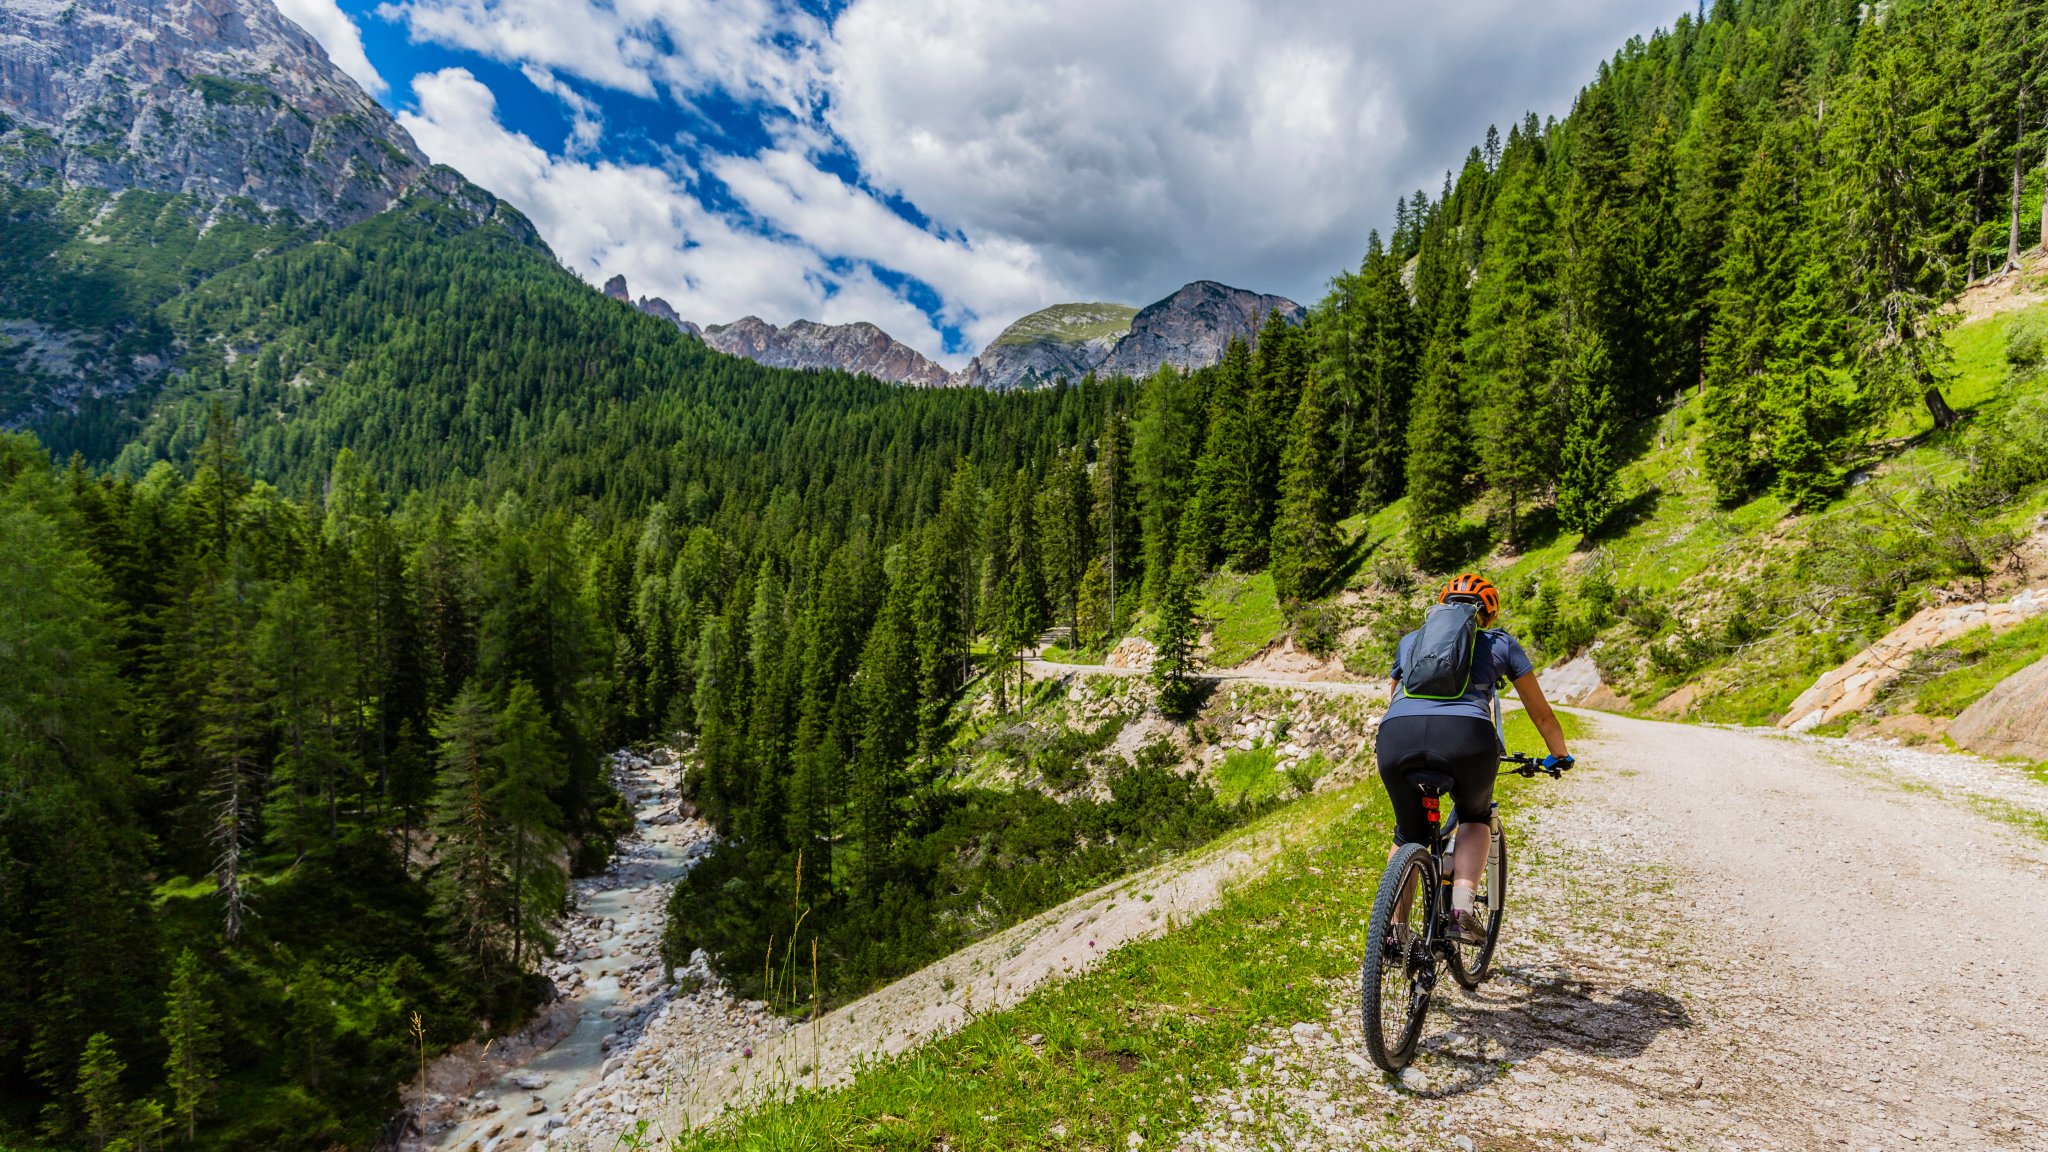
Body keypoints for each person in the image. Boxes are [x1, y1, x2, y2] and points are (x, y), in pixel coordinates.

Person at [1377, 573, 1572, 944]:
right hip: (1466, 739)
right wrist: (1558, 755)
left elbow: (1392, 696)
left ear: (1441, 606)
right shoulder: (1501, 643)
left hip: (1396, 735)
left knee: (1408, 834)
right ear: (1487, 615)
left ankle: (1393, 934)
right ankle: (1460, 912)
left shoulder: (1411, 642)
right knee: (1475, 818)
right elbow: (1542, 714)